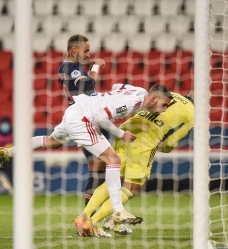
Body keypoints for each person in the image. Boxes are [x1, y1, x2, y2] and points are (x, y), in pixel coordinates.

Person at [0, 84, 173, 237]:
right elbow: (101, 119)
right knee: (113, 160)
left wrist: (107, 98)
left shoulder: (139, 91)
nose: (164, 110)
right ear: (154, 99)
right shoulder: (132, 103)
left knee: (53, 142)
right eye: (164, 105)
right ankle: (118, 209)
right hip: (85, 120)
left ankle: (10, 152)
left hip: (75, 110)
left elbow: (118, 86)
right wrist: (122, 134)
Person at [75, 88, 194, 237]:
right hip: (147, 138)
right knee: (131, 187)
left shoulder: (171, 95)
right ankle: (92, 222)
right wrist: (159, 146)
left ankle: (84, 217)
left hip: (127, 130)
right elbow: (171, 141)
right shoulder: (192, 113)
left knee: (114, 181)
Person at [57, 34, 108, 212]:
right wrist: (95, 66)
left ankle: (92, 216)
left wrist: (87, 63)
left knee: (98, 168)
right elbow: (87, 86)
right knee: (108, 165)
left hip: (82, 120)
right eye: (85, 51)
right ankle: (93, 216)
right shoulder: (72, 68)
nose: (88, 54)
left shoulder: (66, 67)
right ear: (74, 49)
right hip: (87, 122)